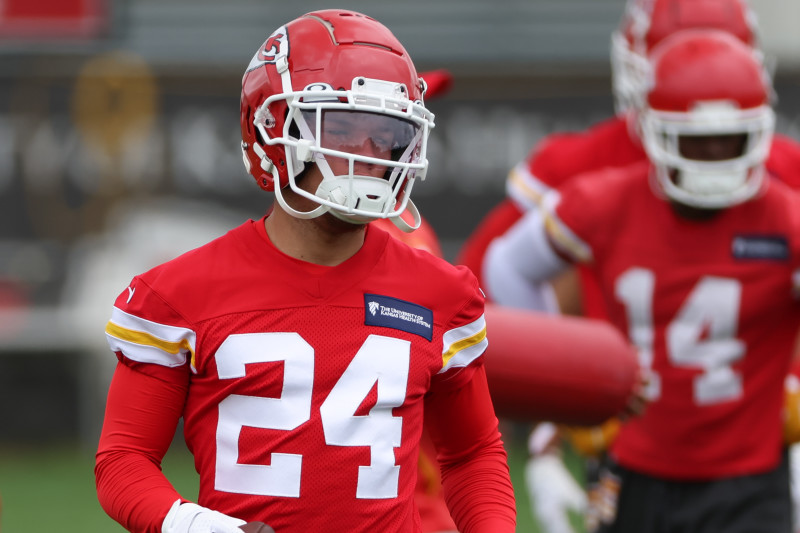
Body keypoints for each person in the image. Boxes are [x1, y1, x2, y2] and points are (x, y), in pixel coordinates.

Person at [94, 9, 516, 533]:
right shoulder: (178, 293)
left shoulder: (441, 291)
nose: (368, 155)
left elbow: (473, 453)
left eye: (385, 135)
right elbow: (123, 460)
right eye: (341, 130)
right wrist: (205, 528)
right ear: (273, 133)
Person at [485, 28, 800, 532]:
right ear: (655, 130)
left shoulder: (785, 221)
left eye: (730, 138)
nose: (716, 153)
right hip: (634, 468)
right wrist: (558, 382)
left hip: (750, 479)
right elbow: (507, 265)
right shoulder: (605, 203)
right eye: (696, 140)